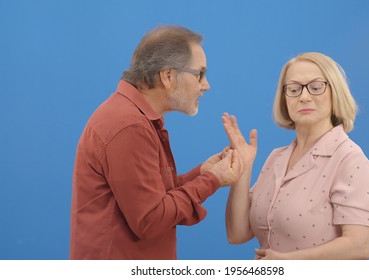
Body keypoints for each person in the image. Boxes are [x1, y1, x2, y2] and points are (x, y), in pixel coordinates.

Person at [70, 25, 243, 260]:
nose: (206, 84)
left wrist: (202, 173)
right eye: (199, 74)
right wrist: (212, 180)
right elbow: (151, 219)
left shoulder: (132, 118)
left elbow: (151, 198)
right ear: (168, 76)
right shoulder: (129, 126)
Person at [223, 52, 369, 259]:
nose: (304, 97)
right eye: (294, 89)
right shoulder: (276, 158)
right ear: (284, 99)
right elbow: (237, 233)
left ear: (336, 93)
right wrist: (243, 168)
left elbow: (360, 246)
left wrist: (288, 262)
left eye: (316, 87)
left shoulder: (350, 160)